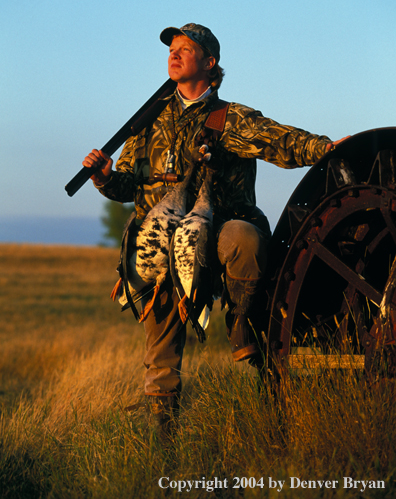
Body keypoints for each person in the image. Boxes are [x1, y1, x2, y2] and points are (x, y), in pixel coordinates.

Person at [83, 23, 346, 434]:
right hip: (162, 239)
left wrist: (326, 149)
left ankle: (245, 326)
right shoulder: (148, 119)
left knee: (243, 239)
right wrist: (103, 177)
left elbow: (281, 141)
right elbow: (127, 187)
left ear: (210, 63)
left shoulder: (230, 118)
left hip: (218, 229)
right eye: (172, 48)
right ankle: (163, 437)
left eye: (185, 49)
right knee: (161, 348)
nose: (174, 54)